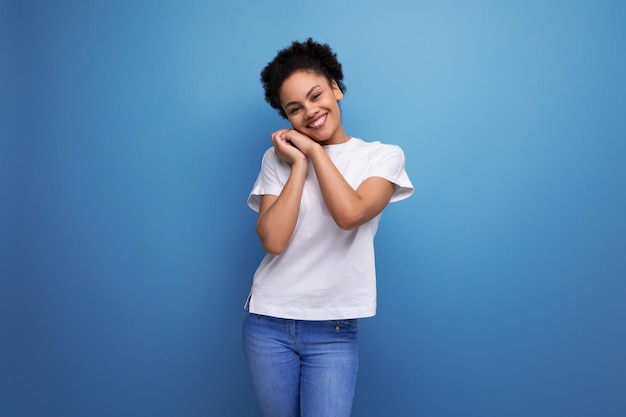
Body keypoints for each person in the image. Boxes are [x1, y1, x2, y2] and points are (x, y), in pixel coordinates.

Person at [242, 38, 414, 417]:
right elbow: (273, 240)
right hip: (268, 321)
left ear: (336, 87)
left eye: (316, 95)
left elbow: (350, 214)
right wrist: (298, 165)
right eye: (295, 109)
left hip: (332, 331)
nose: (310, 112)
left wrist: (316, 152)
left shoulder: (381, 156)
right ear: (286, 117)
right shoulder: (279, 159)